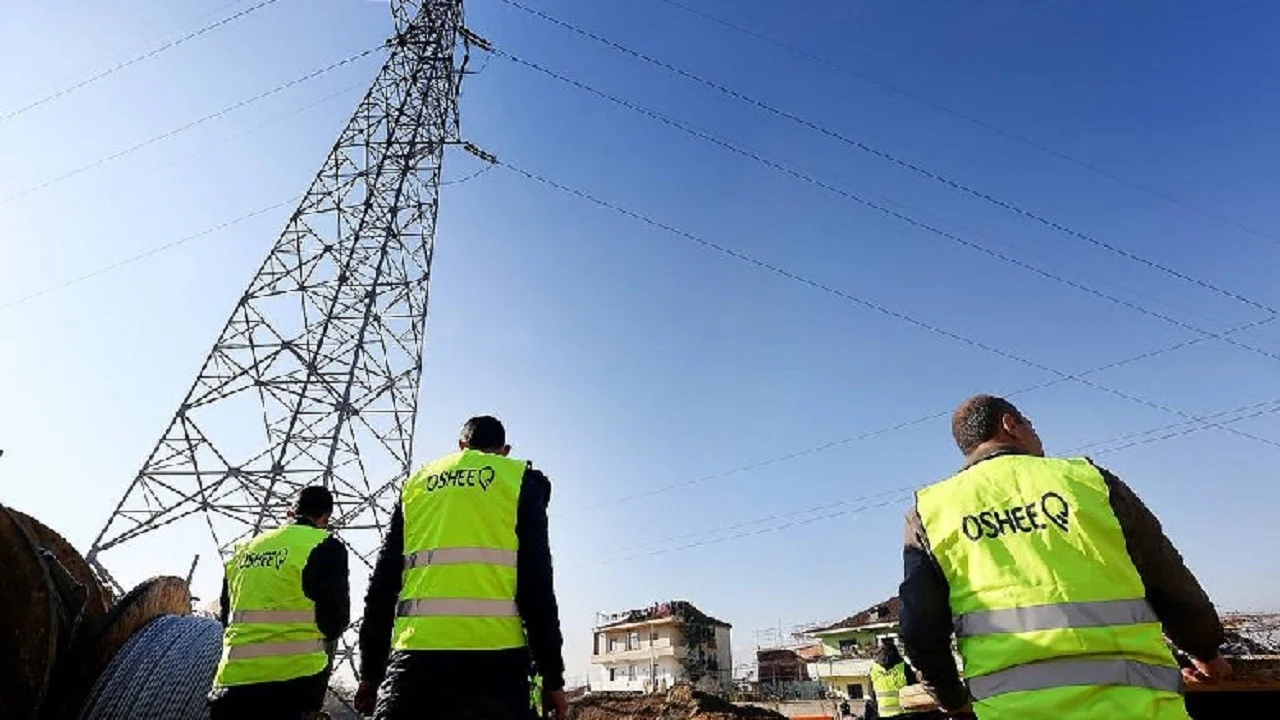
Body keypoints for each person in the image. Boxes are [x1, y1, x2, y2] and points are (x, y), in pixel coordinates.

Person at [899, 395, 1232, 719]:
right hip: (1139, 705)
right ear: (1010, 424)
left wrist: (952, 699)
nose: (1035, 432)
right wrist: (1205, 650)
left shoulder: (930, 511)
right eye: (1030, 423)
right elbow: (1166, 575)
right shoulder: (1089, 481)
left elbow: (920, 629)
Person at [355, 415, 567, 719]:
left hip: (415, 663)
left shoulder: (416, 486)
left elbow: (382, 588)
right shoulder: (518, 480)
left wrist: (371, 673)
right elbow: (538, 588)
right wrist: (552, 678)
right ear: (504, 450)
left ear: (461, 446)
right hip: (497, 668)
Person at [208, 486, 350, 720]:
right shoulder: (326, 545)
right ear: (325, 517)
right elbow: (334, 622)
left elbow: (226, 615)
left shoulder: (244, 550)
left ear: (289, 513)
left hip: (232, 681)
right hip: (296, 684)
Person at [866, 638, 917, 719]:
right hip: (905, 712)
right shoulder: (903, 666)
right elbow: (915, 687)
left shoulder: (873, 669)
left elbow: (871, 693)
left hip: (884, 714)